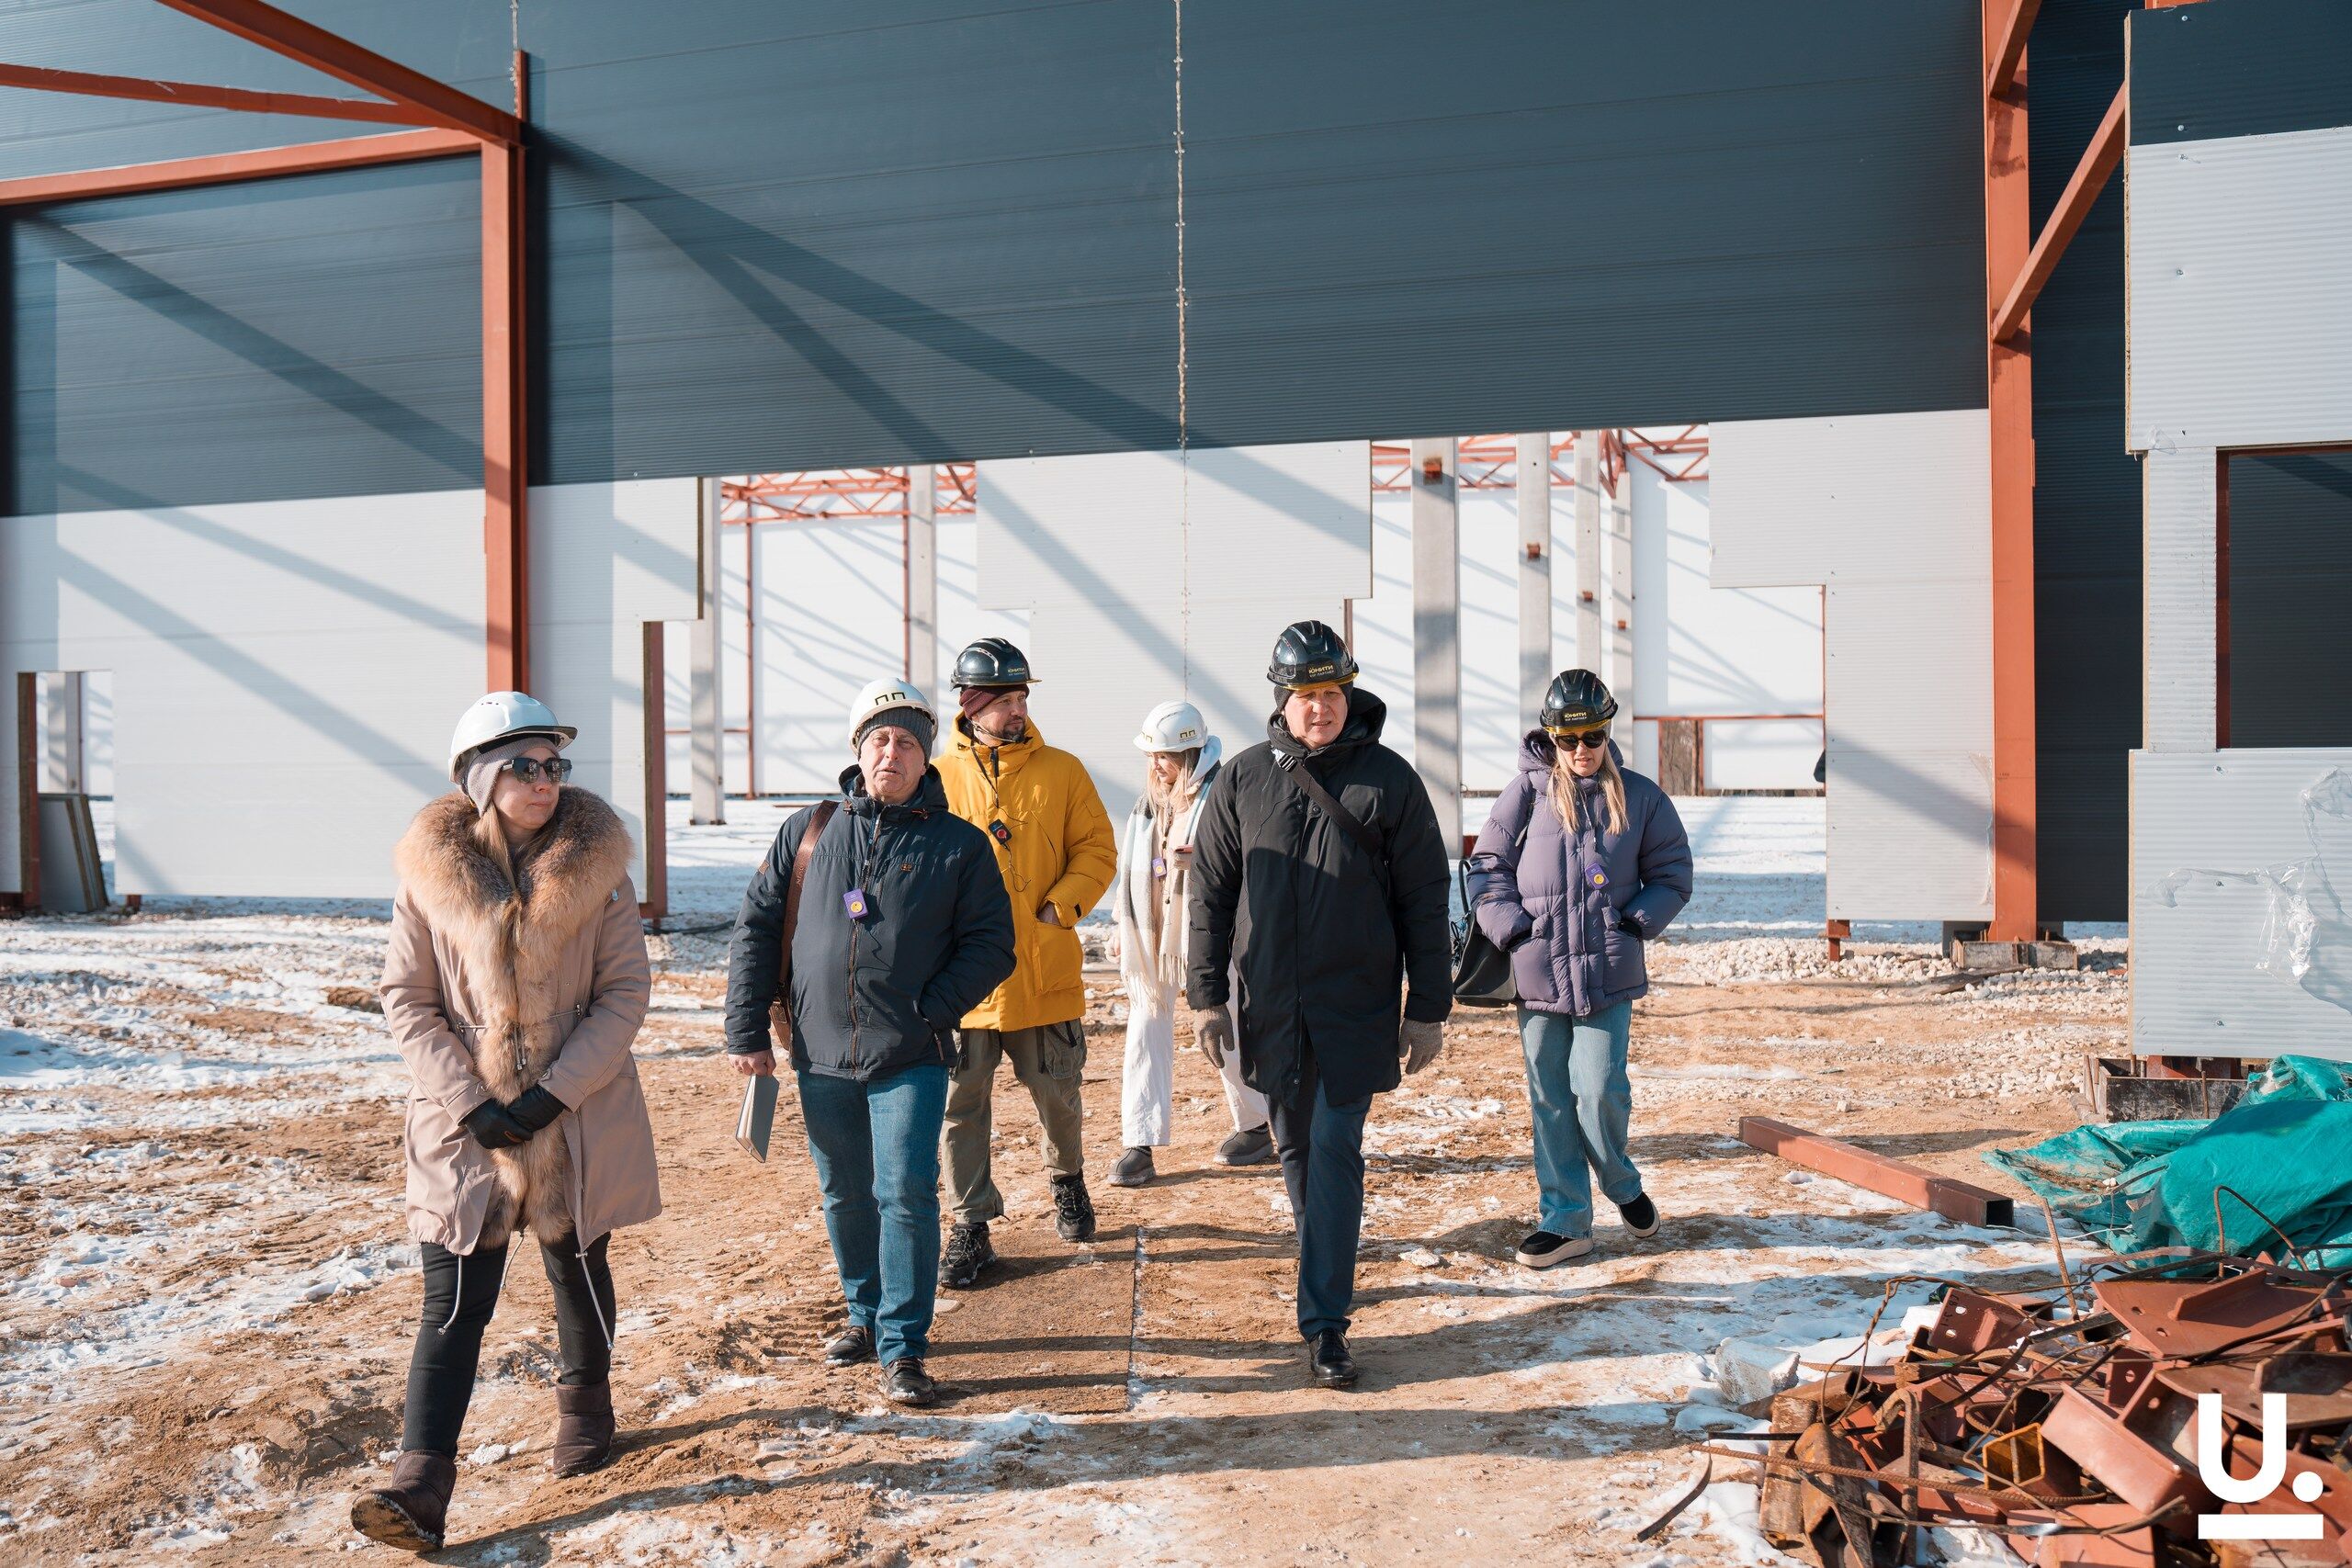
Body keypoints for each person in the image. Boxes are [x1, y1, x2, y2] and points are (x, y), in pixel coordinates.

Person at [355, 693, 661, 1552]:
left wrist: (553, 1095)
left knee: (577, 1263)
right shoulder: (429, 875)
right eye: (525, 765)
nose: (544, 780)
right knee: (454, 1298)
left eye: (554, 765)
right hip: (465, 1124)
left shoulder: (599, 868)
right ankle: (420, 1484)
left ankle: (586, 1408)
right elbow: (408, 1001)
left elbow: (624, 993)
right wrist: (474, 1103)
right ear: (482, 778)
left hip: (577, 1110)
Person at [723, 680, 1015, 1408]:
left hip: (909, 1054)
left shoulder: (959, 845)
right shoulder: (809, 831)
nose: (892, 752)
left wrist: (930, 1010)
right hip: (819, 1051)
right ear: (859, 751)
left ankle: (904, 1345)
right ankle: (865, 1311)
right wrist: (746, 1028)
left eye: (907, 741)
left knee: (906, 1192)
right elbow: (756, 928)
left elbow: (992, 944)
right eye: (879, 739)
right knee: (845, 1192)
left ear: (925, 756)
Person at [1187, 621, 1453, 1389]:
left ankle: (1325, 1322)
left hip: (1355, 1004)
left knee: (1335, 1146)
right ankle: (1326, 1267)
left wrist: (1427, 1006)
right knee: (1296, 1149)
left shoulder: (1390, 780)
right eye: (1307, 694)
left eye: (1333, 691)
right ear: (1282, 699)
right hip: (1271, 1004)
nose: (1322, 706)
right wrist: (1207, 996)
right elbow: (1209, 893)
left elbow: (1425, 897)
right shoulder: (1242, 780)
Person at [1466, 670, 1692, 1269]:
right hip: (1538, 972)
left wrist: (1636, 922)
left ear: (1606, 732)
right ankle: (1565, 1219)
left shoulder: (1639, 797)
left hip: (1607, 974)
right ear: (1551, 737)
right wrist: (1513, 928)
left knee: (1597, 1090)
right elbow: (1486, 866)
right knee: (1550, 1099)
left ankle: (1621, 1183)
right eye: (1568, 739)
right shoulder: (1525, 794)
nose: (1581, 749)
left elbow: (1673, 872)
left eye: (1592, 735)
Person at [933, 637, 1118, 1288]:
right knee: (960, 1107)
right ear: (971, 703)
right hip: (965, 984)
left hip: (1042, 971)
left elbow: (1096, 848)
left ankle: (1068, 1181)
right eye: (1005, 699)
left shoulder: (1063, 771)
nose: (1018, 710)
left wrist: (1060, 909)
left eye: (1022, 697)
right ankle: (970, 1223)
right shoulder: (937, 779)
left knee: (1058, 1092)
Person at [1107, 700, 1272, 1187]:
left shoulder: (1225, 793)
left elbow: (1250, 859)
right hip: (1153, 933)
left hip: (1211, 932)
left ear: (1190, 755)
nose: (1156, 765)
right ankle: (1139, 1141)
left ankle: (1255, 1125)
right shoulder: (1148, 803)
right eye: (1151, 756)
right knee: (1144, 1028)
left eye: (1164, 756)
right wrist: (1120, 924)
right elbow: (1130, 867)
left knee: (1226, 1028)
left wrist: (1203, 860)